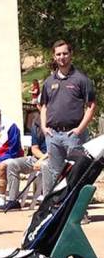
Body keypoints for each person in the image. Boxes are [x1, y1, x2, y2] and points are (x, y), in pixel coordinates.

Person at [39, 39, 96, 196]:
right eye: (58, 54)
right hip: (53, 136)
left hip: (74, 135)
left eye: (65, 53)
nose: (61, 57)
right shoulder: (49, 82)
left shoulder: (81, 79)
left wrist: (79, 129)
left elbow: (91, 106)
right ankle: (56, 208)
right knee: (55, 174)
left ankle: (78, 211)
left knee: (77, 173)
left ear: (71, 54)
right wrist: (44, 128)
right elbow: (43, 106)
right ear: (54, 57)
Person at [0, 113, 48, 212]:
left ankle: (48, 201)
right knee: (12, 164)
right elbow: (34, 148)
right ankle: (13, 201)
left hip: (54, 157)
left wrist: (43, 159)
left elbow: (57, 149)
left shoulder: (58, 121)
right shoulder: (37, 124)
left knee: (48, 165)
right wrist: (41, 158)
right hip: (38, 158)